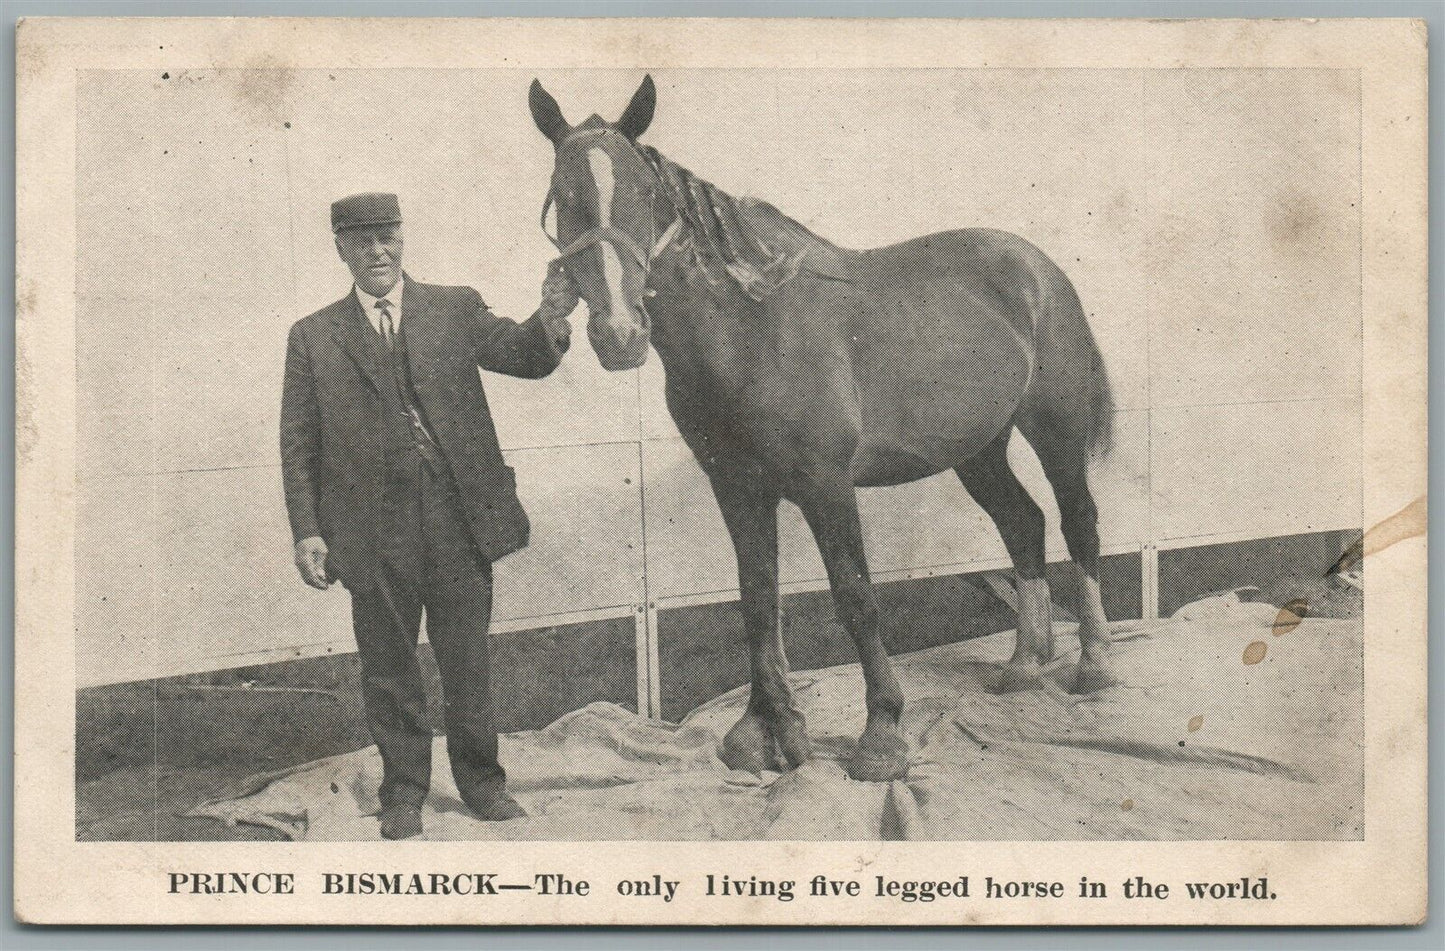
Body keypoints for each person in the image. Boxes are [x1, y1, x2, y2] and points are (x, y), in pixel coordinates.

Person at [280, 192, 578, 839]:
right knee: (389, 668)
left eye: (386, 235)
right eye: (362, 241)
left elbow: (526, 354)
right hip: (368, 531)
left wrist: (552, 311)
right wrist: (307, 528)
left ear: (403, 238)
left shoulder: (454, 308)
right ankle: (404, 792)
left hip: (455, 522)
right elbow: (298, 441)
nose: (377, 250)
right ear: (341, 249)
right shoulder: (312, 336)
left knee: (466, 661)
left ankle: (483, 785)